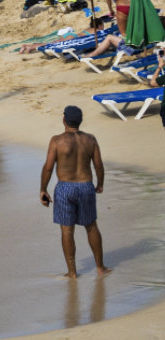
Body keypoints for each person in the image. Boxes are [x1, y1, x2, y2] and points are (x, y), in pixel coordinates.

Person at [40, 106, 109, 279]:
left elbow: (48, 168)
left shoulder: (57, 141)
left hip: (65, 187)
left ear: (64, 120)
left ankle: (72, 272)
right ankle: (100, 268)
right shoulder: (90, 139)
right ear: (80, 121)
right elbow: (99, 165)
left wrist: (43, 189)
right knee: (91, 226)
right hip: (86, 186)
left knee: (67, 231)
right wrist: (100, 184)